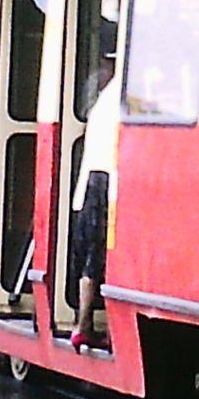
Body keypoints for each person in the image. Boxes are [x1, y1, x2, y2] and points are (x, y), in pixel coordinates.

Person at [69, 74, 120, 354]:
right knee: (105, 256)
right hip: (109, 179)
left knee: (91, 253)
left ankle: (82, 324)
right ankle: (100, 327)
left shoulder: (104, 98)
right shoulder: (124, 94)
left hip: (92, 177)